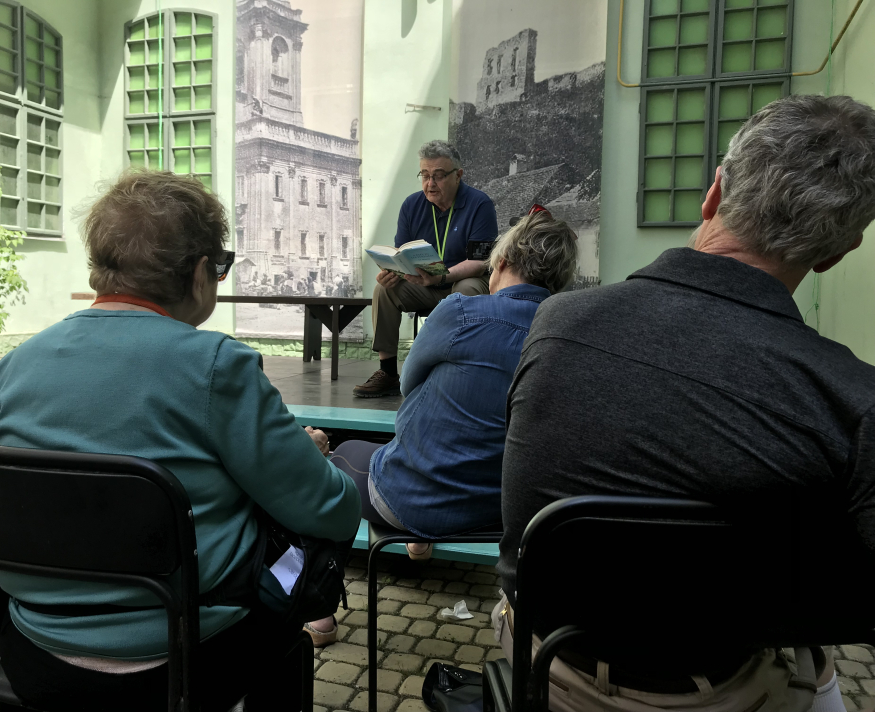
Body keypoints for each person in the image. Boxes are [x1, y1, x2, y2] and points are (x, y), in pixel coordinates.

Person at [496, 94, 875, 711]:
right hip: (720, 691)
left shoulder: (557, 321)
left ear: (714, 193)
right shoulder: (852, 400)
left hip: (543, 667)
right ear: (840, 251)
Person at [0, 170, 361, 712]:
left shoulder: (9, 370)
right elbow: (333, 513)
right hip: (186, 660)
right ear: (201, 273)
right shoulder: (217, 366)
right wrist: (313, 461)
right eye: (220, 267)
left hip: (37, 654)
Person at [302, 209, 578, 647]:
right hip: (507, 511)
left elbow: (408, 383)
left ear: (503, 261)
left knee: (338, 461)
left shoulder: (462, 311)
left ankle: (319, 617)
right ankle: (419, 537)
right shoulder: (569, 333)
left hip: (420, 498)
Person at [353, 140, 499, 397]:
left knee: (466, 290)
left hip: (463, 281)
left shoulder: (479, 204)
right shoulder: (411, 205)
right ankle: (388, 372)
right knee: (384, 290)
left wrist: (441, 277)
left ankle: (459, 368)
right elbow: (401, 254)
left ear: (458, 175)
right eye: (425, 175)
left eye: (439, 176)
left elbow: (481, 262)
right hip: (424, 283)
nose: (430, 183)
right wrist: (392, 272)